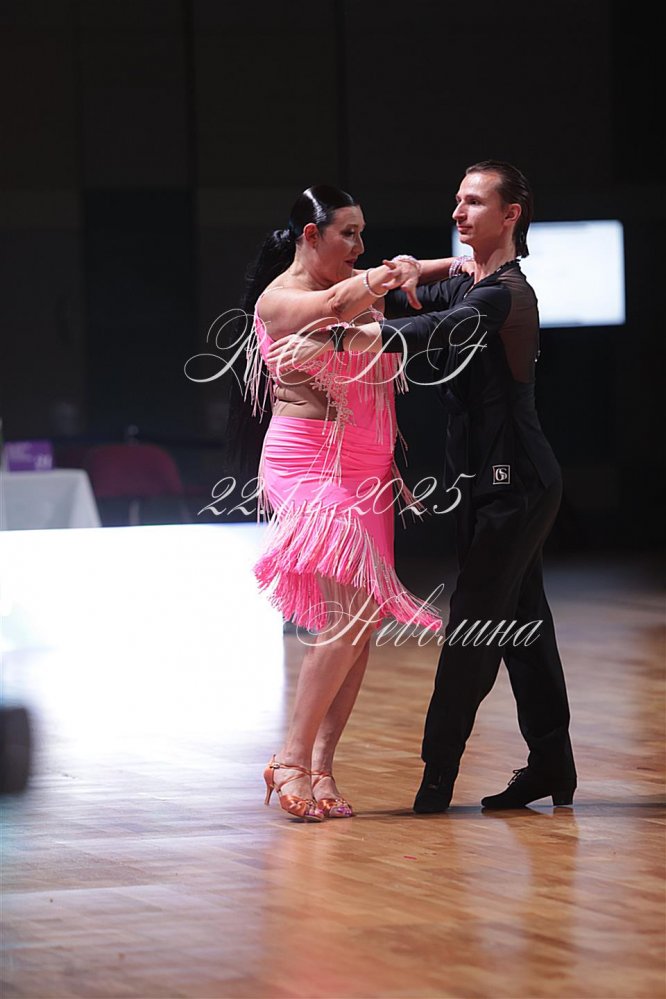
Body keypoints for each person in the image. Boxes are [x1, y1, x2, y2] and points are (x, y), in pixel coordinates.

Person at [269, 162, 577, 813]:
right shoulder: (472, 282)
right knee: (526, 625)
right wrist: (416, 270)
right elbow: (424, 290)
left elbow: (433, 331)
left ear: (511, 214)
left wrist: (352, 337)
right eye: (458, 201)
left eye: (474, 202)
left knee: (474, 626)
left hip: (516, 481)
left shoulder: (505, 294)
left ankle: (437, 778)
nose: (459, 212)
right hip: (483, 483)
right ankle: (552, 762)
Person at [239, 184, 467, 822]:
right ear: (310, 235)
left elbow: (384, 311)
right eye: (349, 233)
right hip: (308, 461)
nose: (360, 245)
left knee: (360, 624)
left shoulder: (358, 286)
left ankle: (320, 765)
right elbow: (338, 305)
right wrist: (391, 276)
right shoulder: (281, 299)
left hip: (369, 469)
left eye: (364, 233)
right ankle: (289, 757)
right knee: (346, 616)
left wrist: (457, 265)